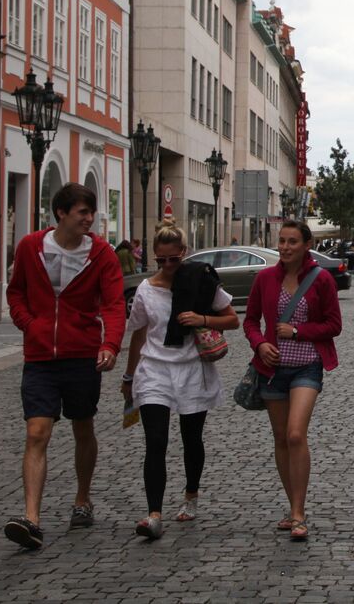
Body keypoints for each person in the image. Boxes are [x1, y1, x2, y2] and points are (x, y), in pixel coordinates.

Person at [3, 183, 125, 550]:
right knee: (37, 432)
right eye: (82, 213)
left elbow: (114, 304)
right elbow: (16, 291)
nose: (90, 219)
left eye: (91, 212)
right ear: (61, 214)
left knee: (82, 427)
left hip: (81, 355)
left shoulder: (101, 253)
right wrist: (29, 323)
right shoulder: (30, 247)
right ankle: (31, 518)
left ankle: (82, 498)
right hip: (40, 357)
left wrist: (110, 344)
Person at [121, 220, 238, 539]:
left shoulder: (200, 280)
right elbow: (139, 334)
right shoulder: (146, 289)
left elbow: (232, 319)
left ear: (183, 253)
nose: (168, 266)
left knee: (191, 437)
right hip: (154, 370)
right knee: (156, 441)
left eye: (174, 259)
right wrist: (129, 376)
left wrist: (202, 319)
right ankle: (153, 514)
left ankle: (191, 494)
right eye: (161, 260)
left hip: (191, 369)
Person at [243, 219, 342, 542]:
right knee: (281, 439)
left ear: (306, 244)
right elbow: (250, 322)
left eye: (292, 242)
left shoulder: (321, 280)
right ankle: (292, 506)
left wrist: (298, 331)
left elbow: (333, 325)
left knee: (296, 434)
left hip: (306, 367)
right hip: (271, 370)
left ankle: (299, 512)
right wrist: (260, 343)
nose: (285, 247)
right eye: (282, 241)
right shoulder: (264, 279)